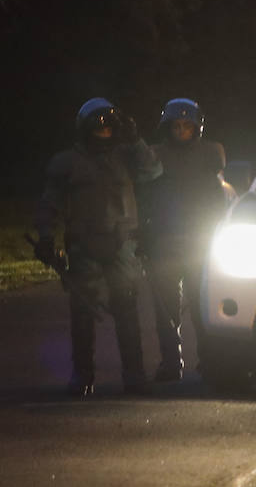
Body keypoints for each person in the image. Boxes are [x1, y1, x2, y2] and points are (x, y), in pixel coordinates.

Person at [34, 98, 162, 396]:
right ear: (85, 129)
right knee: (82, 314)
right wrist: (44, 236)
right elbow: (49, 202)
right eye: (98, 127)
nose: (104, 132)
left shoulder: (128, 156)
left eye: (109, 128)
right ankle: (83, 376)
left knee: (127, 311)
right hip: (84, 245)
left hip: (122, 245)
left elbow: (154, 170)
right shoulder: (67, 162)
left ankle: (134, 376)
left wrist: (137, 139)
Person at [141, 98, 229, 382]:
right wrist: (145, 233)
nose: (181, 131)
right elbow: (145, 198)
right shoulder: (155, 155)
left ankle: (210, 359)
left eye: (187, 126)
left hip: (198, 241)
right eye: (176, 126)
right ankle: (171, 362)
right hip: (164, 239)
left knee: (202, 305)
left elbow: (219, 199)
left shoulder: (210, 153)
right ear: (167, 127)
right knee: (166, 308)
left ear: (197, 127)